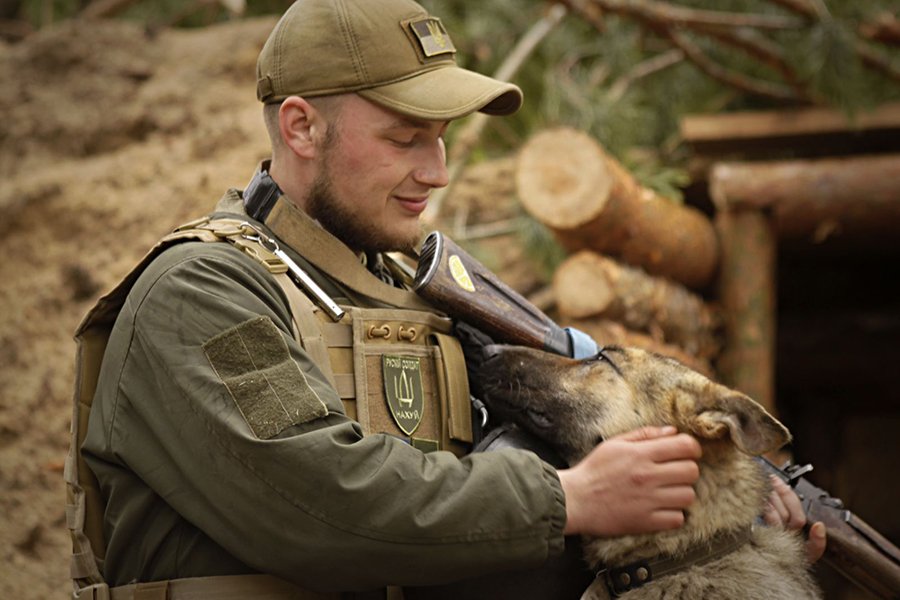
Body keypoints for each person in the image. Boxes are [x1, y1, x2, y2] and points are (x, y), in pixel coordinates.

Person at [68, 0, 823, 598]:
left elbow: (548, 438)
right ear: (301, 127)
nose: (437, 172)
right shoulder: (203, 294)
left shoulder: (408, 292)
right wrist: (569, 500)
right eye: (405, 139)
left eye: (443, 139)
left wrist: (728, 499)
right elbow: (319, 503)